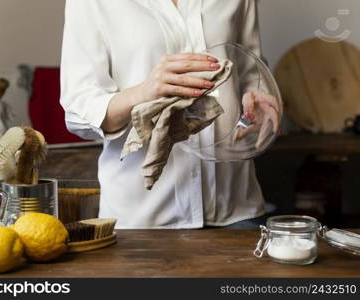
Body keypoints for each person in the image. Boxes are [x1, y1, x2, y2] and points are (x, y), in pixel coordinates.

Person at [60, 0, 276, 229]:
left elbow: (251, 73)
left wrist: (258, 100)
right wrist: (142, 92)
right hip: (142, 220)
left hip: (236, 208)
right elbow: (78, 111)